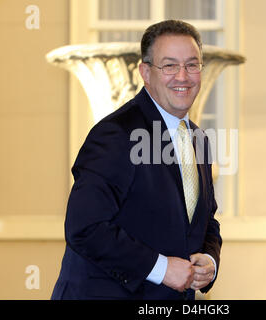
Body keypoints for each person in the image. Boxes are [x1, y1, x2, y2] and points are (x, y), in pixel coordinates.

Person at [51, 19, 222, 300]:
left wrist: (210, 261)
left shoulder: (198, 140)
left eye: (192, 65)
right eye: (169, 66)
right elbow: (85, 227)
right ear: (145, 72)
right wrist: (162, 268)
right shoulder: (115, 133)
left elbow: (207, 221)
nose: (183, 76)